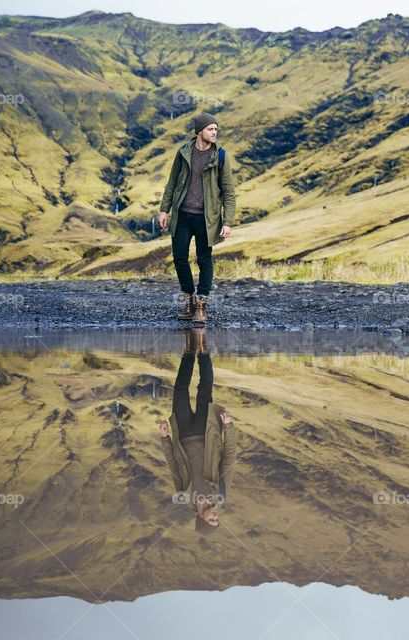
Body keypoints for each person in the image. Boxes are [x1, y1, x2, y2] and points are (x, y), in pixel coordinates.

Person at [158, 112, 236, 324]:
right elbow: (172, 182)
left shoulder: (220, 156)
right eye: (211, 129)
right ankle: (189, 300)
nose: (214, 133)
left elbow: (228, 192)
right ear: (200, 131)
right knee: (180, 258)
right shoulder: (184, 152)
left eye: (216, 129)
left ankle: (201, 305)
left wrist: (227, 222)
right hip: (182, 215)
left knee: (204, 260)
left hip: (206, 219)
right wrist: (164, 210)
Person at [159, 328, 238, 530]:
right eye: (217, 520)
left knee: (179, 390)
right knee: (205, 388)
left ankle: (188, 350)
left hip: (183, 432)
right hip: (206, 431)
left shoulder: (184, 495)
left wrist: (165, 439)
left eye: (212, 520)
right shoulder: (221, 493)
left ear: (201, 519)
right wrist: (228, 427)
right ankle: (202, 348)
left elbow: (173, 465)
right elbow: (229, 457)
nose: (216, 517)